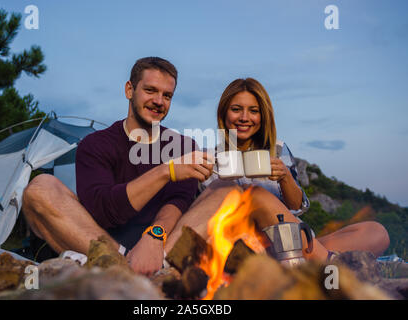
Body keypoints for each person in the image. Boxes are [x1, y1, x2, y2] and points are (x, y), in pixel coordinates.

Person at [22, 57, 214, 276]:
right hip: (101, 243)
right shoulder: (96, 144)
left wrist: (154, 236)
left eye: (167, 95)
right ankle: (119, 262)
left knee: (226, 190)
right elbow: (104, 211)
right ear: (129, 90)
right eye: (150, 90)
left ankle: (158, 266)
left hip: (163, 246)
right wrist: (165, 171)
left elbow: (178, 201)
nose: (159, 101)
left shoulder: (183, 147)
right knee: (39, 188)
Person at [165, 78, 390, 261]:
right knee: (255, 195)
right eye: (236, 109)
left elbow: (296, 207)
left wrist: (284, 178)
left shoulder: (277, 150)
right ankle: (328, 263)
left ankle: (315, 259)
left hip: (290, 241)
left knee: (376, 233)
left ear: (263, 116)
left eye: (253, 110)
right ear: (224, 114)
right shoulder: (209, 158)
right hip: (244, 251)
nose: (244, 117)